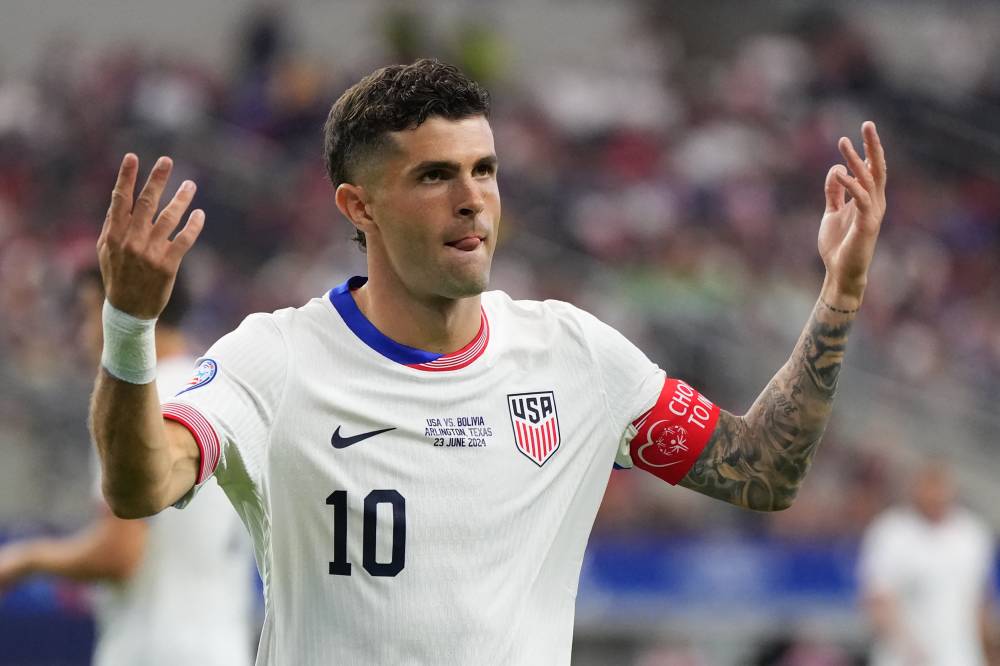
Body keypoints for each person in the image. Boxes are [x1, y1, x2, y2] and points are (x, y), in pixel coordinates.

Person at [89, 59, 887, 664]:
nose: (472, 198)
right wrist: (129, 324)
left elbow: (762, 469)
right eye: (434, 176)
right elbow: (139, 486)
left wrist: (840, 295)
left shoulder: (574, 357)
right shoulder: (278, 358)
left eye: (484, 170)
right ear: (358, 206)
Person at [0, 270, 255, 666]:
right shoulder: (217, 388)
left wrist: (26, 559)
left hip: (153, 649)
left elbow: (118, 553)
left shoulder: (132, 404)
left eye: (88, 314)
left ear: (120, 311)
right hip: (225, 648)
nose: (85, 334)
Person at [858, 459, 996, 666]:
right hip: (903, 658)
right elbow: (878, 600)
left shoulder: (973, 533)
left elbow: (980, 600)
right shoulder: (890, 531)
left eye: (941, 487)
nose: (935, 495)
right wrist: (907, 647)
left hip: (960, 656)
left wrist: (990, 652)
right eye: (929, 487)